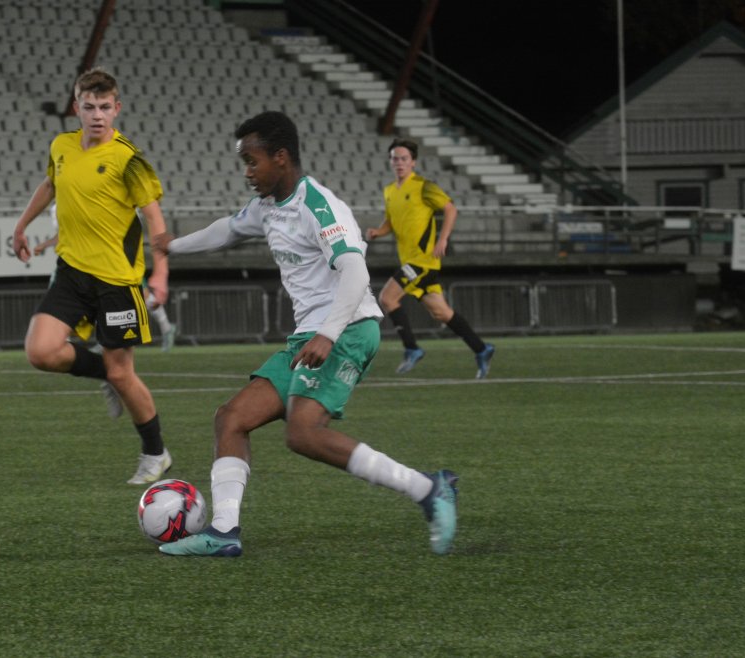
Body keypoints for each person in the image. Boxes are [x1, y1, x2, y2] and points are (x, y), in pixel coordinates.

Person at [156, 111, 458, 558]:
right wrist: (173, 245)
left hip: (348, 328)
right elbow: (228, 229)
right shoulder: (266, 207)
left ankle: (428, 489)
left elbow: (355, 272)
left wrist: (329, 334)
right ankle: (223, 532)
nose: (247, 172)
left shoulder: (319, 206)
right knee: (231, 418)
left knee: (303, 433)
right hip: (310, 336)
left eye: (252, 161)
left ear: (280, 157)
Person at [11, 68, 174, 485]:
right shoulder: (61, 146)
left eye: (104, 107)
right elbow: (50, 184)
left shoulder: (128, 159)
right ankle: (104, 373)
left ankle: (155, 453)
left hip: (116, 282)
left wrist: (161, 272)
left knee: (124, 374)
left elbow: (154, 218)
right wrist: (22, 225)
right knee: (40, 352)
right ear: (76, 108)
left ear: (116, 108)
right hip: (71, 272)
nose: (97, 115)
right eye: (89, 106)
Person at [366, 138, 495, 378]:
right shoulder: (390, 191)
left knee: (387, 298)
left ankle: (412, 349)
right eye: (395, 158)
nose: (399, 163)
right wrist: (378, 232)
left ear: (413, 162)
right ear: (390, 162)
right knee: (442, 313)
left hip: (423, 261)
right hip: (410, 261)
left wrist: (443, 239)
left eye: (404, 158)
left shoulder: (424, 186)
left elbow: (450, 209)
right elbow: (391, 221)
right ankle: (481, 349)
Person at [32, 204, 178, 352]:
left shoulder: (95, 200)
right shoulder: (62, 204)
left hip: (113, 256)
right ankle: (84, 340)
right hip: (83, 259)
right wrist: (44, 244)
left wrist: (160, 272)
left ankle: (162, 328)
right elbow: (65, 233)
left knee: (139, 294)